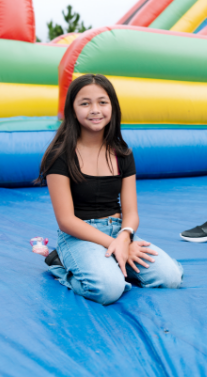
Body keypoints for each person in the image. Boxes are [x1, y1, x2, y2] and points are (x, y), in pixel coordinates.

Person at [38, 74, 183, 305]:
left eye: (102, 102)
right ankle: (60, 264)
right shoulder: (60, 156)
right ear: (72, 109)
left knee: (170, 277)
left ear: (112, 107)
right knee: (109, 290)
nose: (95, 109)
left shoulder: (122, 153)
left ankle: (112, 263)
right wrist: (113, 245)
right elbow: (66, 220)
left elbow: (131, 212)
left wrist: (124, 238)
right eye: (85, 103)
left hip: (117, 232)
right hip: (79, 235)